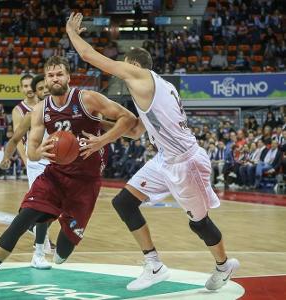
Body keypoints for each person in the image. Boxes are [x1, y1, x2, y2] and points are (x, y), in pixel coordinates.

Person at [66, 12, 239, 292]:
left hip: (186, 162)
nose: (121, 71)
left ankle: (223, 265)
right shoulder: (155, 88)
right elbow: (134, 130)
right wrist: (97, 129)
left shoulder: (142, 76)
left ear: (133, 65)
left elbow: (89, 56)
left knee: (199, 223)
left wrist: (71, 33)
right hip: (165, 159)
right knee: (124, 202)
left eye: (124, 66)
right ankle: (154, 265)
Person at [0, 55, 137, 298]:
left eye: (59, 74)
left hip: (85, 183)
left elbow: (129, 119)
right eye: (50, 75)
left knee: (62, 254)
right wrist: (37, 152)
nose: (55, 79)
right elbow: (32, 149)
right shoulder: (41, 110)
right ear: (45, 79)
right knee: (22, 220)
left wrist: (101, 141)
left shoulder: (87, 98)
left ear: (68, 77)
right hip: (55, 175)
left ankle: (64, 232)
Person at [1, 74, 53, 269]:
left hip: (57, 163)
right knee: (42, 207)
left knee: (58, 208)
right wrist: (8, 157)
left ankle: (31, 223)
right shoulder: (26, 112)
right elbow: (16, 139)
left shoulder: (64, 109)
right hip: (37, 162)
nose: (42, 90)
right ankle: (38, 252)